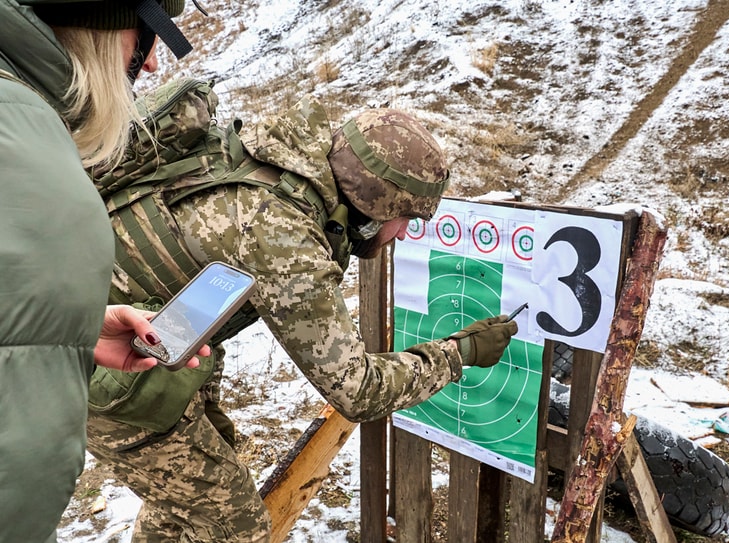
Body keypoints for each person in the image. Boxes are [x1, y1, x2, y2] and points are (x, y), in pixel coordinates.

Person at [85, 81, 518, 541]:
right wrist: (459, 353)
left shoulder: (278, 163)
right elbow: (357, 390)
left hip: (146, 347)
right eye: (407, 218)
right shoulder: (281, 235)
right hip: (108, 372)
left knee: (185, 508)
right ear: (375, 206)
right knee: (236, 527)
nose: (407, 234)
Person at [0, 2, 210, 542]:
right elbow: (22, 461)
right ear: (98, 22)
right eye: (147, 36)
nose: (154, 66)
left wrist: (61, 326)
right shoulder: (26, 149)